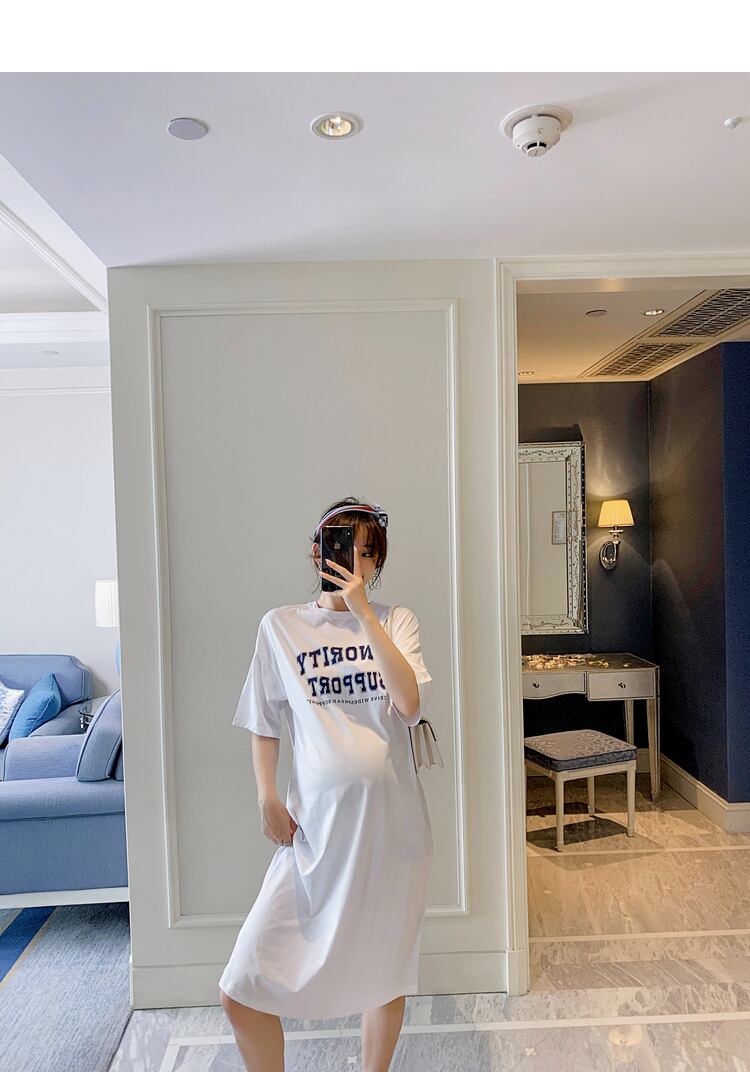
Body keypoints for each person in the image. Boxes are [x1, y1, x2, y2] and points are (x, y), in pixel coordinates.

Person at [219, 495, 434, 1072]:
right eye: (343, 548)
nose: (354, 563)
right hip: (314, 834)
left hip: (390, 832)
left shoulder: (396, 621)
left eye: (367, 553)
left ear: (377, 562)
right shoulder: (281, 627)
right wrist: (266, 795)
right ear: (317, 552)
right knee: (241, 989)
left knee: (384, 975)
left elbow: (409, 705)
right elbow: (263, 720)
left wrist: (363, 614)